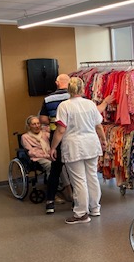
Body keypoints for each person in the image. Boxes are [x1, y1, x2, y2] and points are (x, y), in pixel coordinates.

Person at [50, 77, 106, 224]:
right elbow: (98, 125)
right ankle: (95, 208)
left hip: (74, 146)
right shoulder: (90, 104)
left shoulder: (64, 106)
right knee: (92, 176)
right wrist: (104, 140)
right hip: (91, 144)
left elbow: (60, 130)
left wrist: (53, 147)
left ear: (69, 89)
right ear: (82, 88)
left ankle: (81, 213)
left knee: (79, 180)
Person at [39, 73, 73, 214]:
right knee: (74, 171)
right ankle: (77, 203)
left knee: (55, 170)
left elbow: (43, 119)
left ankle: (50, 203)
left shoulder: (48, 99)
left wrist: (53, 120)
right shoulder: (75, 98)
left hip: (56, 138)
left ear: (57, 83)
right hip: (72, 137)